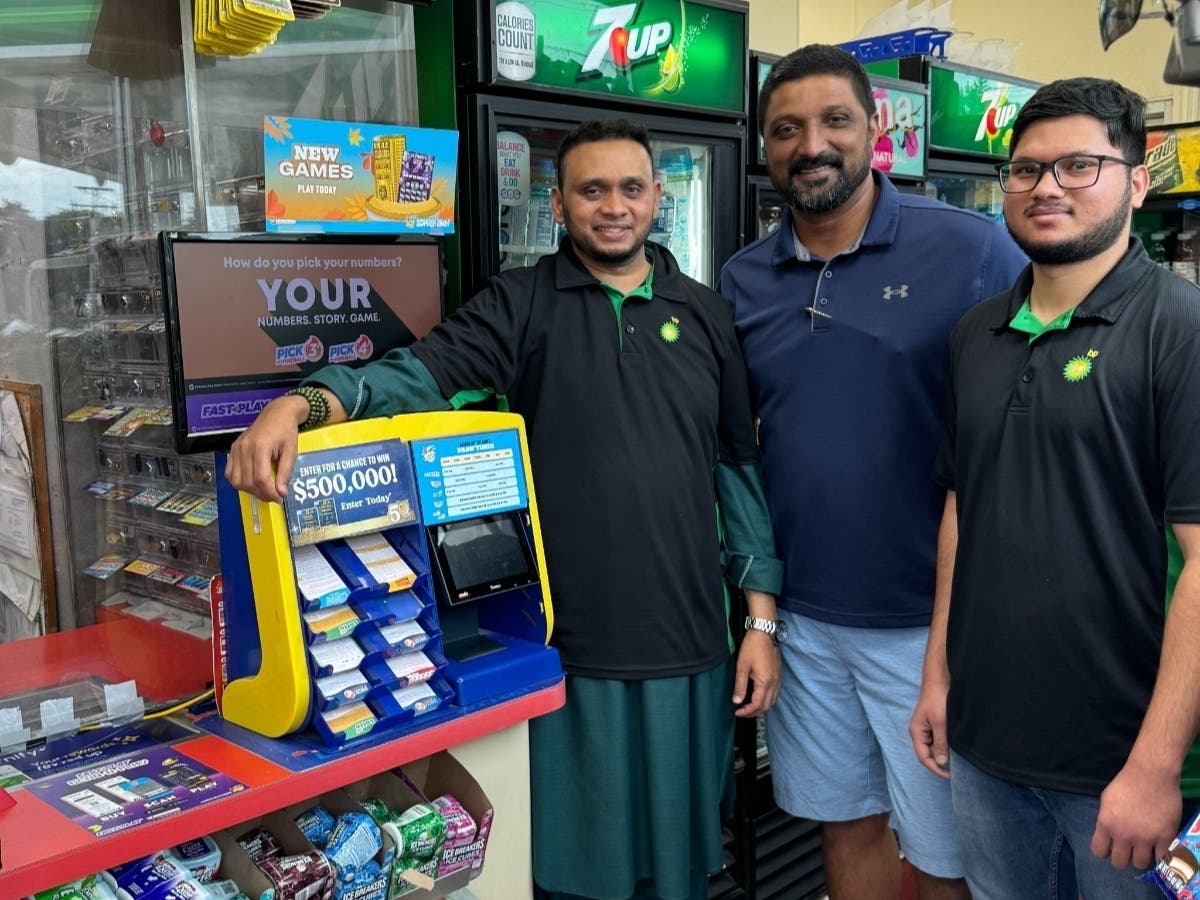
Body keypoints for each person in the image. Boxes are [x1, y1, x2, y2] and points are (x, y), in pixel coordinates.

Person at [226, 118, 784, 900]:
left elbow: (738, 470)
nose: (613, 206)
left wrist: (759, 622)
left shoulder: (707, 315)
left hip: (692, 640)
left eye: (631, 188)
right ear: (558, 204)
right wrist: (305, 404)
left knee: (682, 868)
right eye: (592, 190)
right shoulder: (521, 305)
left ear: (659, 196)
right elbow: (418, 373)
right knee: (578, 872)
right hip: (573, 648)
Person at [718, 44, 1027, 899]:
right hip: (801, 621)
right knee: (841, 819)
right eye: (787, 129)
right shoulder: (743, 279)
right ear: (765, 148)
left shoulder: (972, 251)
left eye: (833, 121)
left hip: (926, 626)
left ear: (875, 132)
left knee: (943, 852)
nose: (810, 145)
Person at [911, 77, 1200, 898]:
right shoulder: (976, 335)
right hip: (987, 746)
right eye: (1027, 169)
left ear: (1137, 183)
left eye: (1078, 165)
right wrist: (938, 676)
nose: (1046, 187)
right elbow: (963, 509)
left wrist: (1155, 765)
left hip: (1123, 766)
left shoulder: (1182, 333)